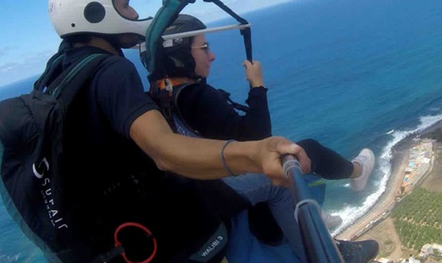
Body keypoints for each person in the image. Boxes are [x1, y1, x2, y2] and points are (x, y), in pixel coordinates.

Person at [44, 0, 377, 263]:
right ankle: (329, 258)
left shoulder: (64, 72)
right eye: (126, 4)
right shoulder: (113, 73)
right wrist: (251, 151)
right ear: (100, 14)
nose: (133, 12)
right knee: (280, 173)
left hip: (108, 242)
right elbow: (164, 149)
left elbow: (82, 6)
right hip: (162, 215)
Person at [150, 14, 376, 199]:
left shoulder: (163, 94)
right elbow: (258, 137)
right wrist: (257, 84)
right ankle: (357, 171)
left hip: (208, 183)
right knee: (305, 150)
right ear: (180, 55)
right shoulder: (195, 96)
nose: (212, 56)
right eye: (204, 48)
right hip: (227, 186)